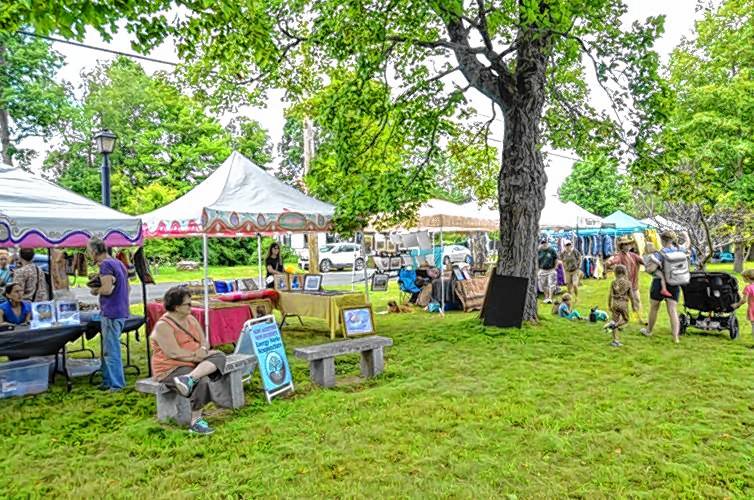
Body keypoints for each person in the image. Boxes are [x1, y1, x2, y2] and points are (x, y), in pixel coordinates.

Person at [150, 286, 228, 435]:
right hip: (171, 367)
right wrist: (195, 356)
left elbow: (204, 342)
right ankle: (196, 421)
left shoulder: (191, 319)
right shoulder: (163, 326)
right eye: (188, 304)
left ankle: (189, 378)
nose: (191, 306)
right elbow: (173, 352)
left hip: (193, 363)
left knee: (219, 355)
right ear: (176, 306)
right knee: (202, 379)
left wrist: (203, 351)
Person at [87, 238, 130, 391]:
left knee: (111, 350)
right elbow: (127, 288)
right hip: (121, 310)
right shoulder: (118, 263)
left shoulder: (105, 265)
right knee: (108, 348)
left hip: (111, 312)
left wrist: (95, 290)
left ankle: (116, 385)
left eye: (88, 251)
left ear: (94, 251)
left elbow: (107, 289)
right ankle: (107, 380)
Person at [641, 230, 687, 343]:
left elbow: (651, 269)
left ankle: (649, 331)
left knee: (654, 307)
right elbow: (687, 244)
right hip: (675, 282)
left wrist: (649, 268)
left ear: (662, 240)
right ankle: (675, 337)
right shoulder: (680, 249)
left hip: (659, 283)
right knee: (672, 310)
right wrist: (686, 235)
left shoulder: (660, 253)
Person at [605, 236, 645, 324]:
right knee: (620, 303)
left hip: (634, 283)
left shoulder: (634, 255)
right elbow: (614, 260)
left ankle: (639, 318)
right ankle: (617, 322)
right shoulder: (619, 255)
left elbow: (643, 261)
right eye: (625, 244)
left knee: (637, 300)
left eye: (628, 244)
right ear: (621, 246)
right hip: (623, 285)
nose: (627, 246)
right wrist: (609, 262)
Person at [606, 264, 632, 347]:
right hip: (623, 304)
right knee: (626, 319)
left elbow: (610, 295)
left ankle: (615, 341)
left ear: (615, 273)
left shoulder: (613, 283)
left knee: (614, 319)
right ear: (625, 273)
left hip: (615, 304)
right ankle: (614, 325)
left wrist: (609, 304)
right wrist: (634, 305)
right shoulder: (628, 283)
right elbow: (631, 295)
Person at [733, 269, 754, 339]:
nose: (743, 279)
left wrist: (737, 305)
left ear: (747, 278)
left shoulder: (748, 288)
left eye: (743, 278)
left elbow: (744, 300)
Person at [537, 238, 559, 304]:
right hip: (542, 269)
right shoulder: (539, 250)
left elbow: (556, 259)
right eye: (543, 243)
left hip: (551, 269)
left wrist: (555, 268)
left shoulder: (552, 250)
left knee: (551, 284)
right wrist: (537, 269)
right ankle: (546, 297)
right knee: (543, 284)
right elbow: (536, 260)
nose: (544, 244)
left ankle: (550, 298)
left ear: (547, 243)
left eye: (545, 243)